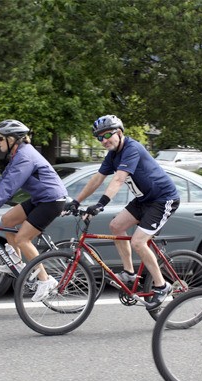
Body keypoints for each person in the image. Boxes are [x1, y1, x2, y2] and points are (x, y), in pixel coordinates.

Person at [64, 115, 181, 310]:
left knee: (138, 241)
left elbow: (118, 180)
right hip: (144, 200)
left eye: (107, 135)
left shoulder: (131, 149)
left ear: (119, 132)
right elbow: (97, 179)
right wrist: (76, 201)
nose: (103, 141)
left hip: (162, 199)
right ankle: (129, 272)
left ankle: (162, 286)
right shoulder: (113, 155)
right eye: (99, 138)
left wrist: (101, 203)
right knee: (115, 226)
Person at [0, 119, 68, 302]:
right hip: (41, 198)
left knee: (22, 238)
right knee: (7, 220)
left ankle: (45, 280)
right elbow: (2, 180)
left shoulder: (25, 157)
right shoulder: (17, 155)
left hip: (52, 200)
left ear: (12, 139)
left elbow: (10, 185)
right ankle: (17, 264)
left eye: (0, 138)